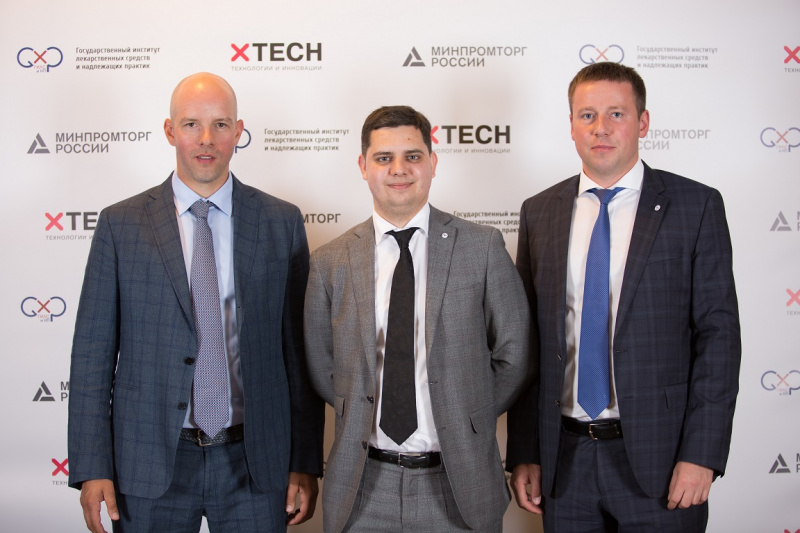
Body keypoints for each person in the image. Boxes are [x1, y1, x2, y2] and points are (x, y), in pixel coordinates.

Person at [67, 72, 324, 533]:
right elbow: (92, 357)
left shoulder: (280, 222)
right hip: (147, 462)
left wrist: (304, 459)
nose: (207, 139)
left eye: (220, 124)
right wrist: (92, 465)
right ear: (170, 131)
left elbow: (299, 356)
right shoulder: (120, 225)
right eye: (191, 124)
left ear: (238, 131)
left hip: (255, 462)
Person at [506, 62, 741, 532]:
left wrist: (701, 454)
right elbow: (529, 346)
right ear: (572, 125)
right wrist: (526, 451)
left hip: (662, 462)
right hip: (564, 462)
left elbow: (719, 339)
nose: (601, 128)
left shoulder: (695, 206)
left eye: (616, 113)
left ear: (643, 122)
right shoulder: (540, 211)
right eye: (587, 115)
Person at [304, 105, 531, 533]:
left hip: (457, 484)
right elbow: (322, 366)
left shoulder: (481, 247)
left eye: (412, 156)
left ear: (432, 162)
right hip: (361, 487)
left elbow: (514, 354)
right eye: (383, 158)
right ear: (363, 166)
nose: (399, 169)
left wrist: (466, 412)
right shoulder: (330, 261)